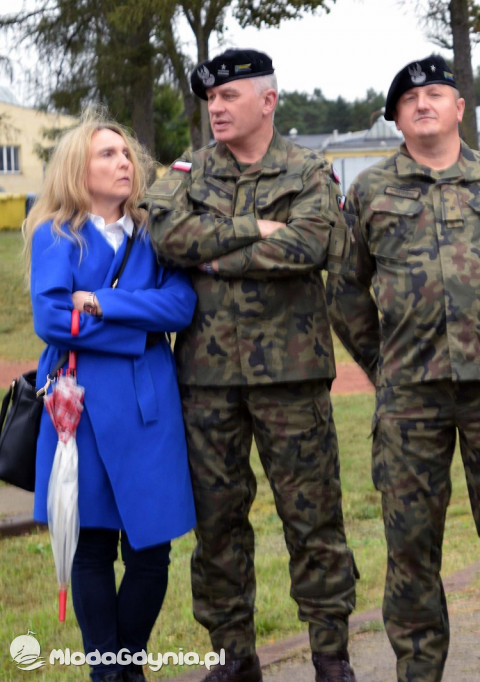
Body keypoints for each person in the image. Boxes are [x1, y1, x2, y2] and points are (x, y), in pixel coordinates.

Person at [325, 55, 480, 682]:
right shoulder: (369, 191)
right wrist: (384, 363)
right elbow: (344, 290)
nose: (423, 104)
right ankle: (418, 672)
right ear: (395, 117)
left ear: (458, 108)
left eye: (435, 94)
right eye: (409, 99)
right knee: (411, 551)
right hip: (409, 402)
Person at [142, 49, 357, 682]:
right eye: (210, 99)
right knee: (218, 522)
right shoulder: (187, 170)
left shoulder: (309, 168)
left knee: (313, 517)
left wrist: (214, 254)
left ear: (267, 100)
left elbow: (312, 242)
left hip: (291, 377)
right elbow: (164, 237)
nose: (216, 108)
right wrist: (255, 229)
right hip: (206, 380)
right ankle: (233, 655)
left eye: (229, 96)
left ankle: (331, 655)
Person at [26, 115, 197, 682]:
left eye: (126, 154)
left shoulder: (154, 232)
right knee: (91, 548)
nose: (124, 163)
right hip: (79, 412)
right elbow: (52, 318)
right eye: (107, 154)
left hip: (150, 408)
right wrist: (136, 328)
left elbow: (181, 306)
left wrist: (101, 303)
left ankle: (123, 664)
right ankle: (113, 673)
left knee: (152, 552)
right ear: (80, 168)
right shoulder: (56, 233)